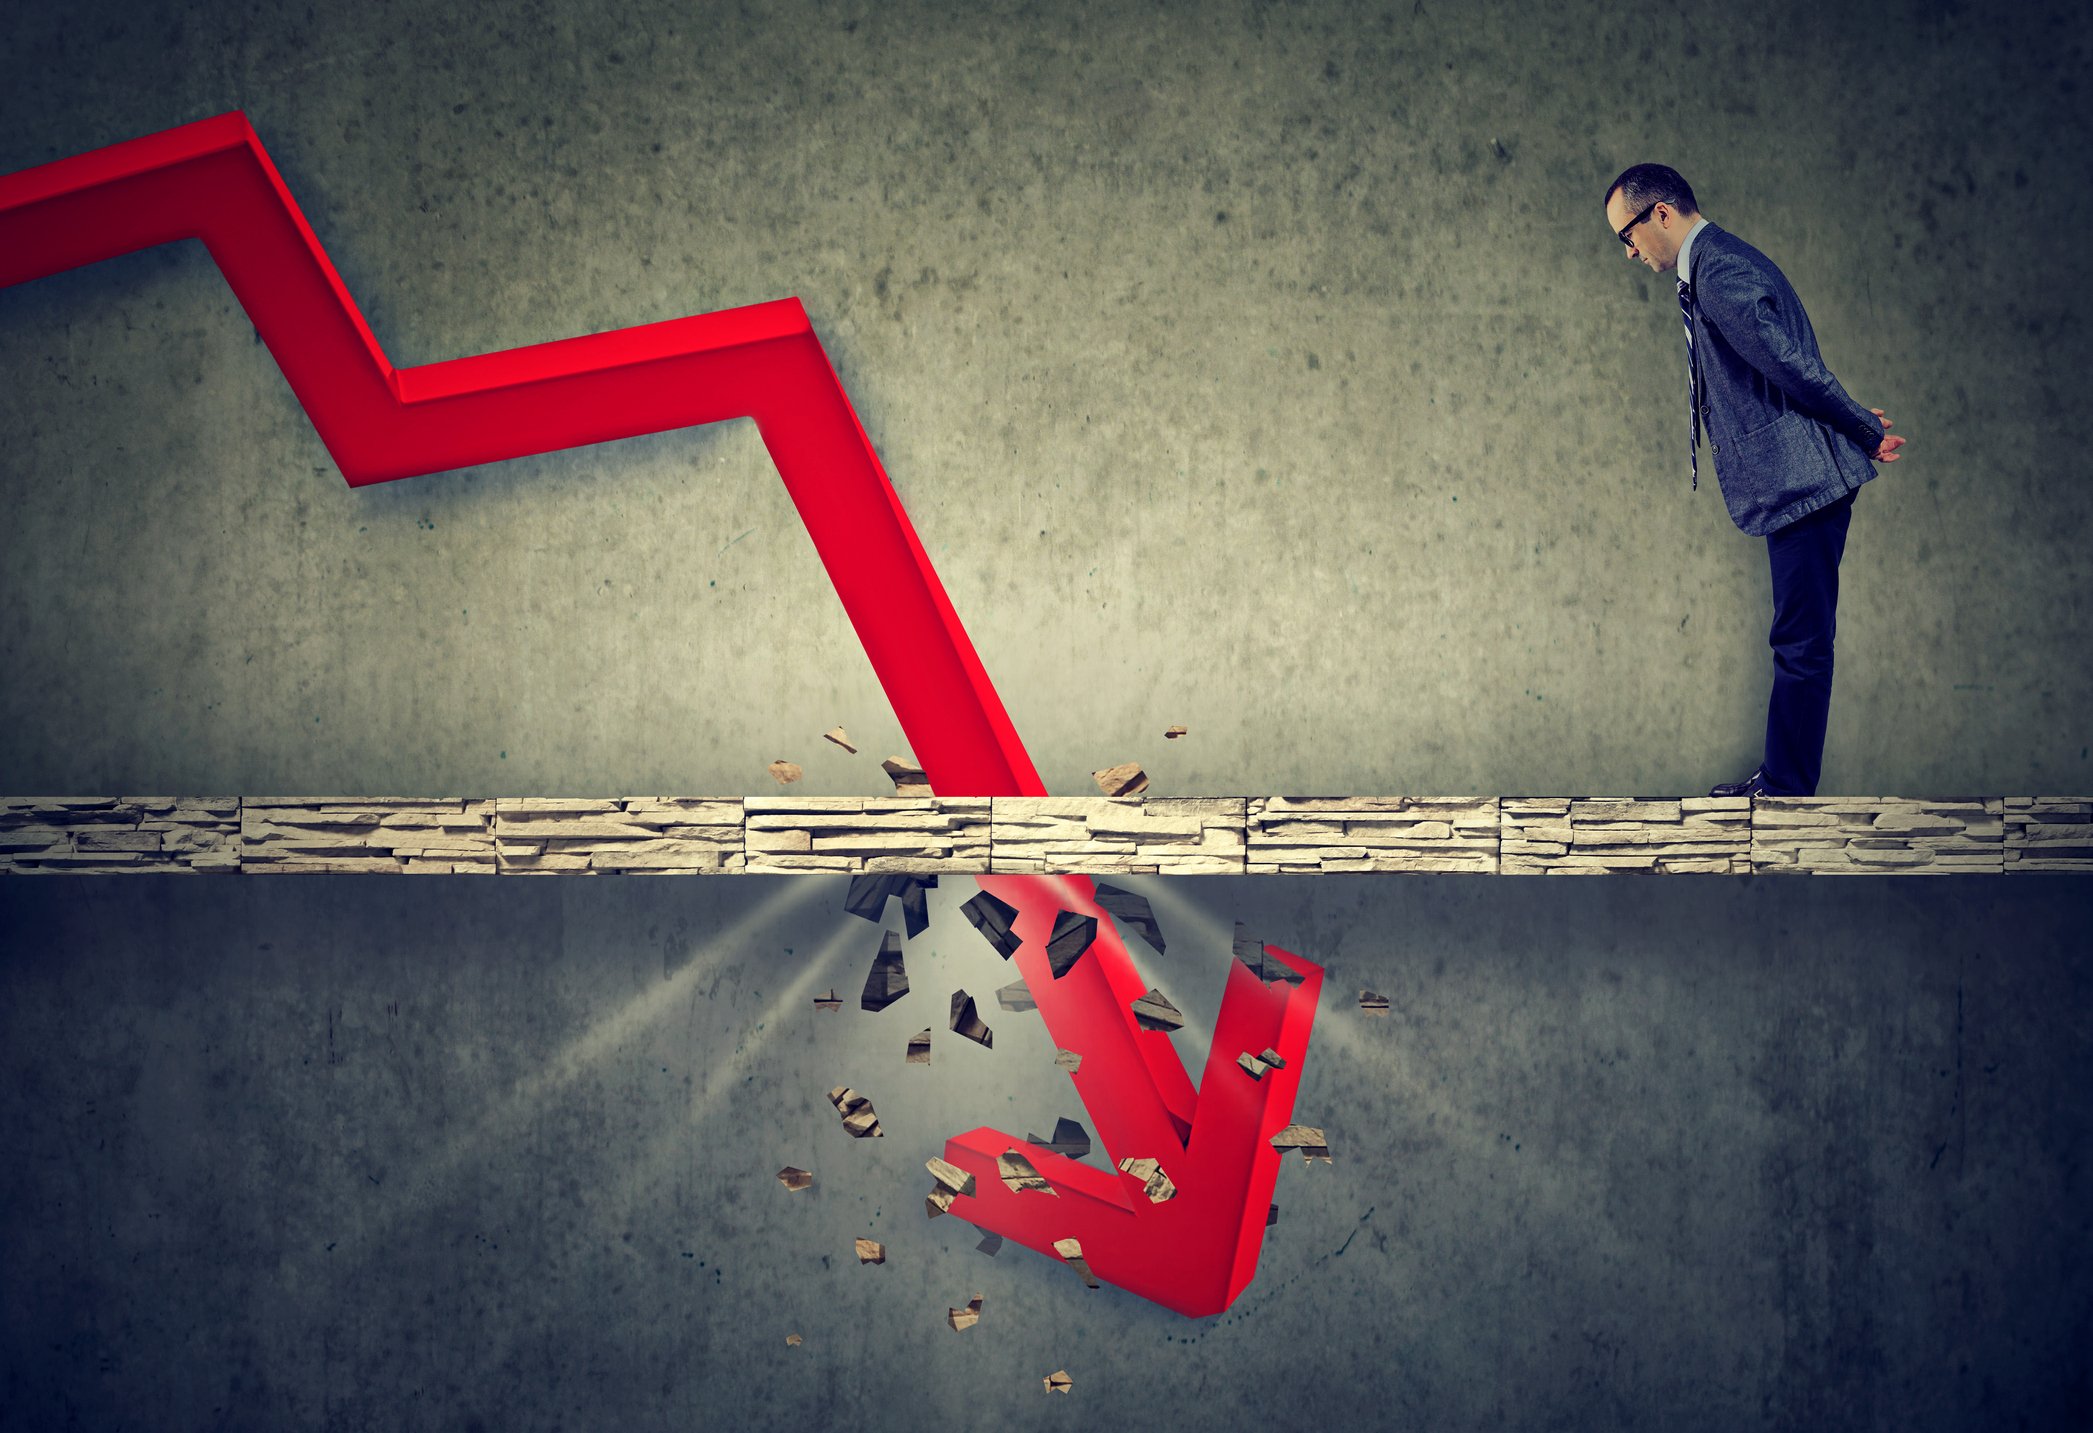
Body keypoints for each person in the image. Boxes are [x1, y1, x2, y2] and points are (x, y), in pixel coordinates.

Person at [1603, 164, 1907, 798]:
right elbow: (1784, 367)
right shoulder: (1716, 264)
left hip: (1802, 481)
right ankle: (1783, 779)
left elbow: (1789, 364)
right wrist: (1849, 423)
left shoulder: (1717, 272)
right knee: (1798, 636)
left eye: (1627, 235)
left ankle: (1786, 787)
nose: (1629, 253)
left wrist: (1859, 426)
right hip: (1797, 476)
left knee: (1800, 640)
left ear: (1661, 214)